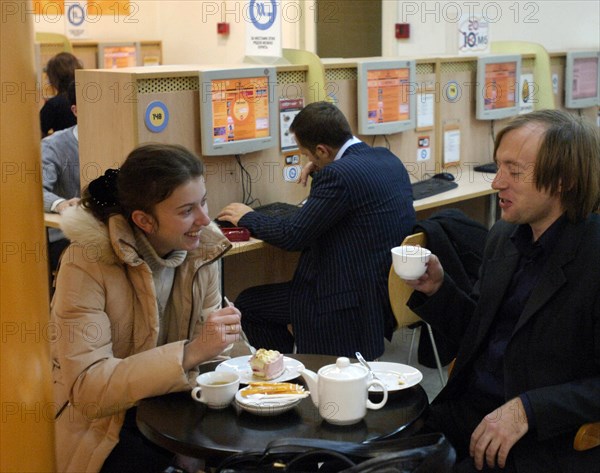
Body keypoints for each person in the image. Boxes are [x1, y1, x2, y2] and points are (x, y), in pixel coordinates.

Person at [404, 109, 600, 472]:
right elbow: (477, 337)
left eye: (514, 171)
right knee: (360, 451)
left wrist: (529, 409)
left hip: (539, 440)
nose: (496, 183)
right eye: (498, 168)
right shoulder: (504, 237)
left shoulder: (592, 255)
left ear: (563, 180)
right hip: (469, 412)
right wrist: (439, 290)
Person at [51, 144, 242, 473]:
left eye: (204, 201)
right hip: (101, 425)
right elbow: (88, 388)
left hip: (177, 406)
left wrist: (237, 351)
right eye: (186, 211)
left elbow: (214, 358)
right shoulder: (86, 262)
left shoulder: (202, 248)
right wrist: (191, 352)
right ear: (143, 220)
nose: (205, 219)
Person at [217, 101, 415, 360]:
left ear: (322, 150)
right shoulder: (386, 159)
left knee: (248, 305)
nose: (307, 160)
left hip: (339, 300)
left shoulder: (339, 176)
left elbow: (292, 236)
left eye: (308, 155)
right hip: (381, 291)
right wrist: (326, 166)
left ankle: (289, 374)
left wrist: (248, 217)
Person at [42, 80, 80, 280]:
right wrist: (61, 204)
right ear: (75, 110)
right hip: (66, 235)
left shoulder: (120, 139)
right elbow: (37, 191)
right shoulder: (53, 145)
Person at [40, 52, 82, 137]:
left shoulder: (53, 105)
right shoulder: (89, 98)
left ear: (53, 78)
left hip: (62, 149)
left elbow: (37, 135)